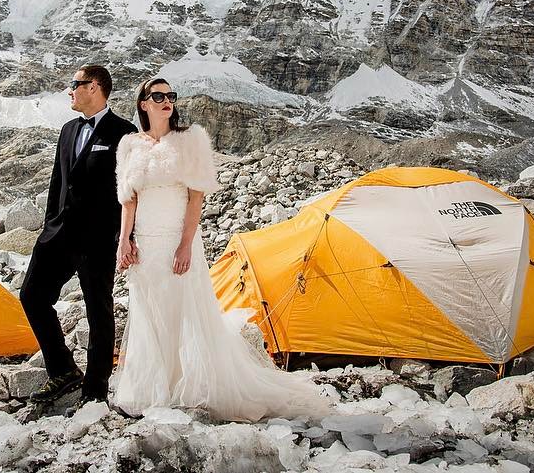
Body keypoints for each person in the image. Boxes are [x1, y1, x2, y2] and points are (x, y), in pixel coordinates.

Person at [110, 77, 330, 422]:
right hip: (145, 243)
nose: (167, 100)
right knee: (150, 311)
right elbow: (128, 200)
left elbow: (196, 197)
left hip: (176, 240)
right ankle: (154, 389)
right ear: (143, 103)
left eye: (171, 95)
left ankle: (189, 386)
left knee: (183, 310)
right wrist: (124, 241)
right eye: (158, 96)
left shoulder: (190, 140)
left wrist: (185, 245)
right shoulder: (129, 145)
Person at [20, 65, 137, 404]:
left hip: (98, 239)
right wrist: (48, 226)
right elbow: (58, 181)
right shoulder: (68, 129)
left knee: (98, 311)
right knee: (32, 297)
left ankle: (95, 391)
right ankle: (63, 371)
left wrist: (125, 237)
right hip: (58, 236)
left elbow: (129, 191)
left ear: (95, 87)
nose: (70, 90)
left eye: (76, 84)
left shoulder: (123, 133)